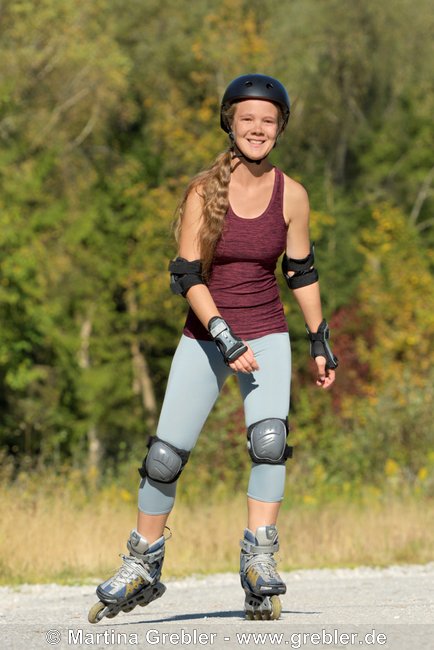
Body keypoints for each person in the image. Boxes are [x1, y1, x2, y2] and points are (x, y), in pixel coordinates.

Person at [88, 73, 337, 624]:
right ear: (230, 122)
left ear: (280, 129)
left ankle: (259, 560)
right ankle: (143, 563)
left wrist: (319, 339)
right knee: (164, 457)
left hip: (268, 333)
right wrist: (224, 336)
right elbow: (185, 275)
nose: (257, 128)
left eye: (268, 121)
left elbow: (301, 271)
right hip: (208, 335)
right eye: (247, 118)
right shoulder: (204, 192)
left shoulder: (291, 194)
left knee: (269, 441)